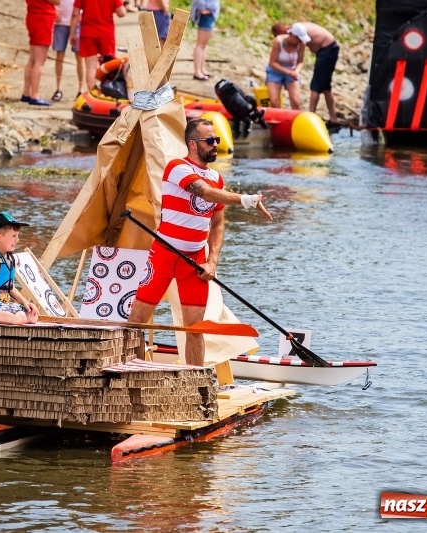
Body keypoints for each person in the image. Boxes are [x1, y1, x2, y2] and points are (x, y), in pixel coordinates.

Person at [127, 118, 273, 367]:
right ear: (193, 144)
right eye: (210, 140)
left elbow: (217, 225)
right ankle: (133, 373)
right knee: (137, 323)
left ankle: (194, 382)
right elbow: (203, 193)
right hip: (164, 254)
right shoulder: (177, 167)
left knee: (195, 329)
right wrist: (246, 200)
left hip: (194, 261)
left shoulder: (217, 178)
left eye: (217, 139)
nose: (216, 144)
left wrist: (212, 262)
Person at [277, 21, 340, 122]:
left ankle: (311, 116)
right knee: (326, 87)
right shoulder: (297, 28)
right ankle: (333, 118)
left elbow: (300, 53)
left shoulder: (298, 32)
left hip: (328, 49)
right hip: (328, 48)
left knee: (316, 86)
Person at [70, 0, 127, 88]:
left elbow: (75, 14)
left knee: (90, 67)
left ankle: (92, 93)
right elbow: (121, 13)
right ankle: (108, 91)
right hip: (106, 33)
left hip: (88, 32)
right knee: (108, 65)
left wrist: (72, 33)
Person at [22, 0, 61, 107]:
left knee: (32, 59)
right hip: (43, 17)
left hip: (33, 15)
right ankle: (35, 95)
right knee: (39, 61)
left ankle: (26, 92)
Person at [266, 22, 308, 110]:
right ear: (292, 35)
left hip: (292, 71)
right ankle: (277, 120)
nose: (299, 41)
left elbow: (300, 62)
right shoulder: (279, 41)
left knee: (295, 100)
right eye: (298, 39)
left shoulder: (301, 44)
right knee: (274, 101)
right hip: (275, 71)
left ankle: (298, 121)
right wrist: (288, 72)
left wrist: (296, 71)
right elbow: (272, 63)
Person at [52, 0, 85, 101]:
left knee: (79, 57)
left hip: (77, 22)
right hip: (61, 22)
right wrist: (54, 11)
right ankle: (58, 88)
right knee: (59, 55)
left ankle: (81, 89)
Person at [190, 0, 219, 81]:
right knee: (200, 44)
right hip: (206, 15)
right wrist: (202, 8)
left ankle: (202, 69)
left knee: (204, 45)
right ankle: (197, 72)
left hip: (210, 14)